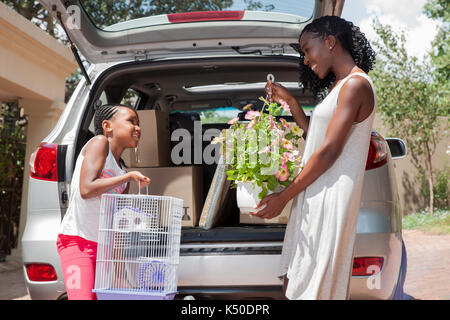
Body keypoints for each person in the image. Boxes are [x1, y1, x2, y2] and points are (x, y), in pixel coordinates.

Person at [252, 15, 377, 300]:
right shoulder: (340, 86)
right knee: (296, 281)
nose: (305, 60)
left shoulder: (355, 85)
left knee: (312, 287)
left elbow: (329, 151)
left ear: (330, 42)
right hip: (314, 193)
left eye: (307, 49)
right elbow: (319, 141)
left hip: (331, 197)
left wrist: (284, 196)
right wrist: (292, 104)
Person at [56, 103, 151, 300]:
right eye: (131, 121)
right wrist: (128, 178)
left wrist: (119, 274)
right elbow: (86, 189)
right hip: (78, 242)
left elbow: (115, 226)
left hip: (104, 250)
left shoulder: (122, 171)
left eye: (139, 123)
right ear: (108, 126)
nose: (137, 127)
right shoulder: (99, 142)